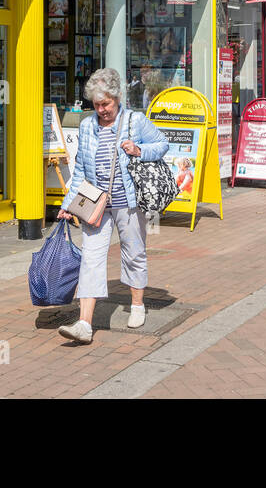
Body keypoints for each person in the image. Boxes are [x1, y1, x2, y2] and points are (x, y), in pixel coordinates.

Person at [57, 68, 169, 344]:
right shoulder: (87, 126)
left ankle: (138, 304)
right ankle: (84, 324)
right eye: (96, 105)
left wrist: (140, 150)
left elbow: (163, 144)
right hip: (95, 204)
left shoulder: (135, 121)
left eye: (105, 103)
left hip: (128, 202)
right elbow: (81, 169)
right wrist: (68, 204)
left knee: (133, 252)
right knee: (91, 258)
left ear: (117, 98)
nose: (101, 110)